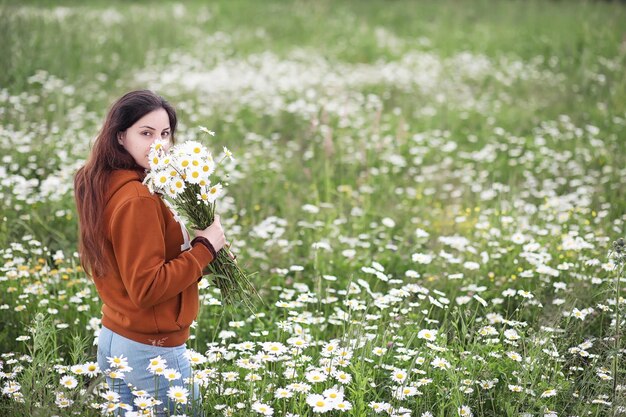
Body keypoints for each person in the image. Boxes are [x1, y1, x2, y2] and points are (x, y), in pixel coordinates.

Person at [74, 90, 224, 416]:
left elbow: (135, 263)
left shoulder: (109, 182)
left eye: (165, 134)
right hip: (151, 351)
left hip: (116, 336)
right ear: (120, 137)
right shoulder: (137, 198)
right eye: (146, 133)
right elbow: (147, 287)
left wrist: (208, 256)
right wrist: (205, 248)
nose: (160, 145)